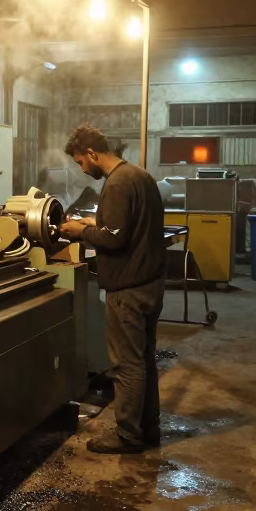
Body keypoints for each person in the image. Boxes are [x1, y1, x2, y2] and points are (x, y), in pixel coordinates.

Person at [59, 124, 166, 454]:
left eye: (80, 162)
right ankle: (148, 428)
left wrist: (80, 232)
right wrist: (95, 223)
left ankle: (127, 435)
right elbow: (126, 227)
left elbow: (115, 238)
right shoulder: (139, 176)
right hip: (149, 283)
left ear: (92, 154)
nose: (81, 168)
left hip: (128, 289)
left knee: (126, 364)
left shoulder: (117, 183)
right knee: (143, 359)